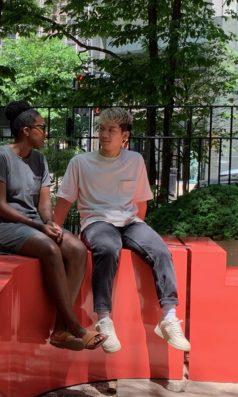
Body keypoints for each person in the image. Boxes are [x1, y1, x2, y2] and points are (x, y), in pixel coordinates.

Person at [52, 107, 191, 353]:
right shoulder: (81, 163)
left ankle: (169, 318)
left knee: (159, 249)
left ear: (124, 135)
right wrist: (54, 231)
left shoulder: (135, 160)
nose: (104, 134)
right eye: (102, 129)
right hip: (96, 221)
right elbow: (64, 201)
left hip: (130, 222)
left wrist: (139, 234)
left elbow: (141, 204)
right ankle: (104, 318)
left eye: (111, 130)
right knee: (107, 247)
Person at [0, 101, 107, 351]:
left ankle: (60, 331)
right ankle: (75, 326)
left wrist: (49, 223)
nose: (45, 132)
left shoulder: (39, 160)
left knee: (77, 249)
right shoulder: (0, 157)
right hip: (2, 225)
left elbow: (44, 202)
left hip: (33, 224)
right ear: (26, 130)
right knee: (49, 248)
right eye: (42, 127)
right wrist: (39, 227)